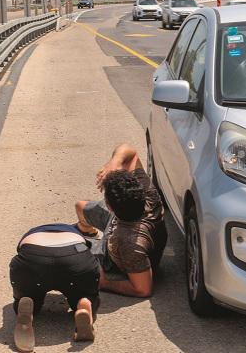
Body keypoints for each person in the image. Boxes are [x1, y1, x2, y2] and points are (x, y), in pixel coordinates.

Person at [75, 144, 167, 298]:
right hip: (121, 221)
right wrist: (114, 164)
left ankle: (87, 240)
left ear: (110, 207)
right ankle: (87, 230)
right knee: (80, 206)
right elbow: (131, 154)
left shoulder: (129, 244)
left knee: (70, 249)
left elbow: (143, 289)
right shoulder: (149, 195)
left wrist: (105, 283)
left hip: (112, 253)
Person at [9, 224, 100, 352]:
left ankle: (28, 304)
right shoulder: (75, 233)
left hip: (33, 259)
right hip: (75, 259)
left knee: (29, 291)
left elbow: (20, 250)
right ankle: (84, 303)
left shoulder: (31, 232)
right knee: (85, 292)